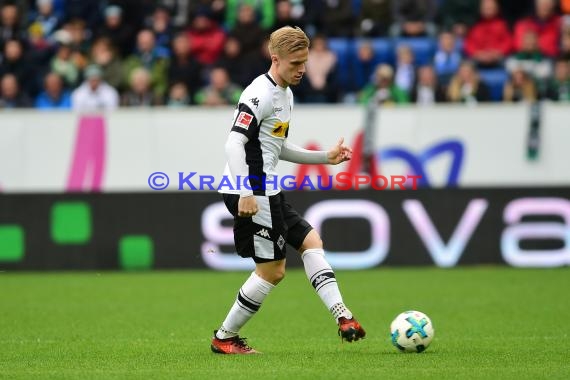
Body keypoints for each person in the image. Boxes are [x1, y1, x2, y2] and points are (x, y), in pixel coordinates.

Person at [212, 26, 366, 355]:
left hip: (266, 185)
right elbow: (233, 143)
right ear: (275, 59)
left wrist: (324, 157)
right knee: (273, 271)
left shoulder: (286, 94)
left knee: (311, 242)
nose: (302, 70)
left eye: (304, 62)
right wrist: (244, 191)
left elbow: (275, 147)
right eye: (295, 63)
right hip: (251, 188)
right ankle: (224, 337)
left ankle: (344, 317)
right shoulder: (260, 94)